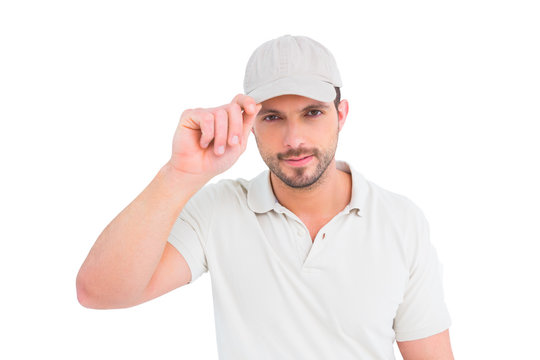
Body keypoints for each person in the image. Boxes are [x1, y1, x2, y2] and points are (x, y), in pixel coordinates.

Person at [76, 34, 454, 359]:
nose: (294, 139)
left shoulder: (400, 222)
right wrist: (179, 175)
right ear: (250, 124)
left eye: (312, 113)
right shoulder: (218, 210)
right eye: (273, 117)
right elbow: (98, 291)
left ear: (341, 114)